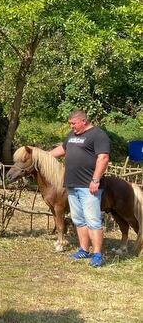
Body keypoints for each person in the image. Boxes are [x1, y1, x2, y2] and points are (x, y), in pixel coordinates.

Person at [49, 110, 110, 267]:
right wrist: (43, 155)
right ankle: (84, 249)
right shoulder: (72, 135)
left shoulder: (98, 135)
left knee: (93, 221)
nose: (71, 126)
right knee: (78, 220)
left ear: (84, 121)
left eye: (73, 123)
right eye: (70, 123)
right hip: (72, 184)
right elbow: (63, 149)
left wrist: (95, 179)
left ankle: (97, 254)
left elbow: (103, 158)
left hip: (88, 185)